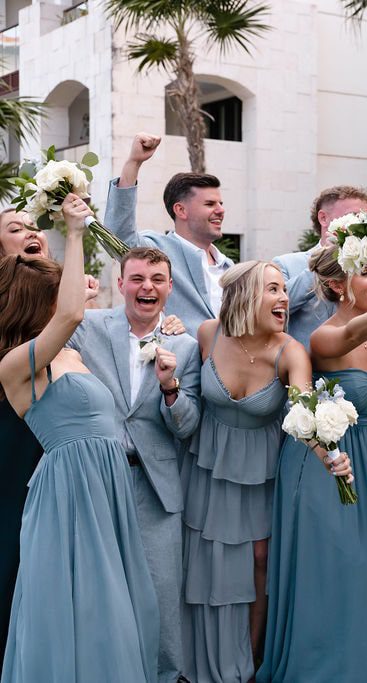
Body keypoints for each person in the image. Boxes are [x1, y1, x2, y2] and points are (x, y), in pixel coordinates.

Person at [0, 194, 159, 681]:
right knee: (84, 606)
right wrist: (73, 233)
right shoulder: (17, 364)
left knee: (119, 603)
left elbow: (78, 313)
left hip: (105, 489)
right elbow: (69, 313)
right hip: (68, 495)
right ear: (40, 305)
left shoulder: (69, 351)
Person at [259, 247, 367, 682]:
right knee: (329, 568)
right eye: (365, 272)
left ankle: (354, 665)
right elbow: (353, 335)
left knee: (362, 571)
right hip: (323, 462)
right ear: (337, 286)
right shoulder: (321, 337)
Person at [67, 247, 202, 683]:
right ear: (121, 283)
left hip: (155, 483)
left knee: (161, 588)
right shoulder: (87, 327)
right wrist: (77, 298)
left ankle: (164, 674)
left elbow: (187, 426)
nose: (148, 287)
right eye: (138, 278)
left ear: (170, 287)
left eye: (158, 279)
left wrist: (171, 387)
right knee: (96, 584)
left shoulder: (185, 344)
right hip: (96, 477)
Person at [180, 261, 319, 683]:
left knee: (259, 561)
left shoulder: (290, 350)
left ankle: (249, 663)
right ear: (245, 296)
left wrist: (329, 451)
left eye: (283, 290)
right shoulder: (208, 334)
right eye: (273, 290)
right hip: (206, 464)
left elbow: (306, 411)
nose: (284, 299)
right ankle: (193, 661)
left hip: (261, 471)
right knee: (204, 560)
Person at [106, 133, 234, 335]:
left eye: (221, 204)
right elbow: (117, 236)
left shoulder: (230, 268)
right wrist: (134, 162)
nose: (220, 210)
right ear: (180, 210)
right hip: (176, 363)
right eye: (210, 204)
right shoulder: (156, 250)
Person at [0, 209, 48, 668]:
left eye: (34, 225)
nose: (31, 232)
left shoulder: (62, 302)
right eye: (15, 229)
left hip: (50, 446)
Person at [273, 186, 367, 349]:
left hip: (360, 367)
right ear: (323, 218)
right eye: (353, 216)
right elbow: (271, 312)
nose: (360, 224)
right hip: (303, 368)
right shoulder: (285, 264)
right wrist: (325, 262)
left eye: (365, 218)